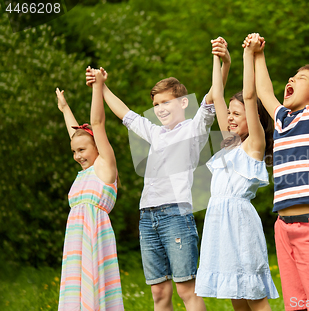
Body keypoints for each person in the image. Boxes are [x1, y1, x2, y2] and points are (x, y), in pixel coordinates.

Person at [85, 39, 230, 311]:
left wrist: (225, 62)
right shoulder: (155, 133)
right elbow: (124, 113)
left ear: (183, 102)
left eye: (167, 102)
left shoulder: (194, 128)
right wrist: (101, 85)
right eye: (156, 104)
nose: (161, 108)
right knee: (159, 294)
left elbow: (214, 94)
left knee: (187, 290)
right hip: (146, 217)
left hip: (176, 216)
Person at [247, 1, 309, 310]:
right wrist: (259, 55)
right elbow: (263, 90)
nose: (291, 80)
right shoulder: (281, 120)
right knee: (295, 305)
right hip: (283, 229)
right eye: (290, 77)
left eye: (300, 78)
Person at [194, 35, 279, 311]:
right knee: (234, 292)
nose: (229, 117)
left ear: (251, 119)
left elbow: (252, 96)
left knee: (252, 292)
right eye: (229, 113)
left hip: (239, 223)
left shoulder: (253, 145)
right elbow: (216, 95)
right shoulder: (229, 144)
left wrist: (246, 55)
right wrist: (219, 59)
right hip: (218, 221)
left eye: (237, 114)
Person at [56, 68, 124, 311]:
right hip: (76, 238)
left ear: (98, 146)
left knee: (95, 287)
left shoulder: (105, 167)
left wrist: (97, 87)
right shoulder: (84, 172)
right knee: (77, 290)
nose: (77, 156)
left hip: (95, 235)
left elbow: (97, 123)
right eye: (74, 152)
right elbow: (77, 135)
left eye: (82, 151)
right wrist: (65, 108)